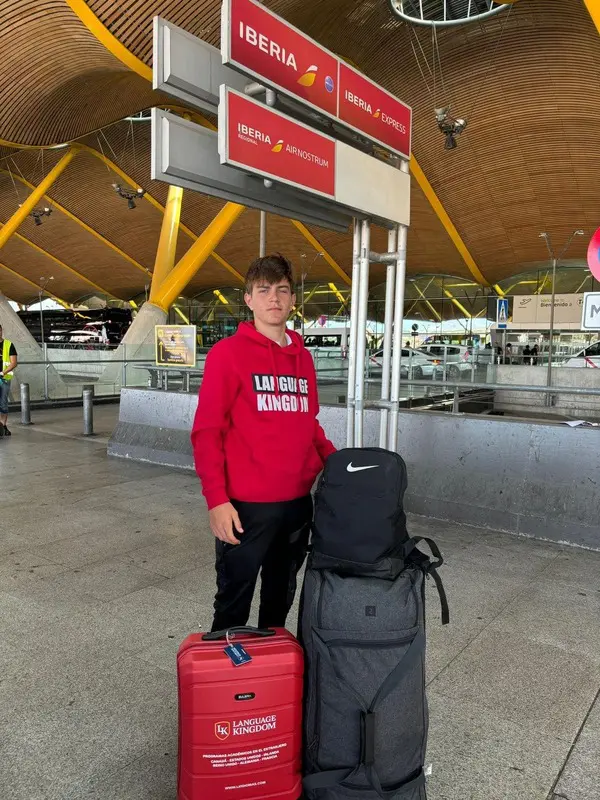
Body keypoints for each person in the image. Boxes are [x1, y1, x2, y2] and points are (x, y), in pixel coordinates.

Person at [191, 254, 336, 632]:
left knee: (279, 601)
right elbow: (207, 432)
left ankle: (270, 684)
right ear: (249, 299)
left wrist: (340, 465)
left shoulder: (303, 358)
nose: (274, 298)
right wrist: (217, 501)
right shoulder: (227, 355)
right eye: (264, 290)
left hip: (295, 507)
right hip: (245, 508)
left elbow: (310, 424)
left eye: (282, 290)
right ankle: (228, 683)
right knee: (233, 602)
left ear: (292, 300)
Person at [0, 325, 17, 437]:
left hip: (3, 379)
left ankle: (3, 426)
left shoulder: (9, 345)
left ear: (1, 330)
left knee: (3, 404)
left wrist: (3, 372)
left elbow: (13, 363)